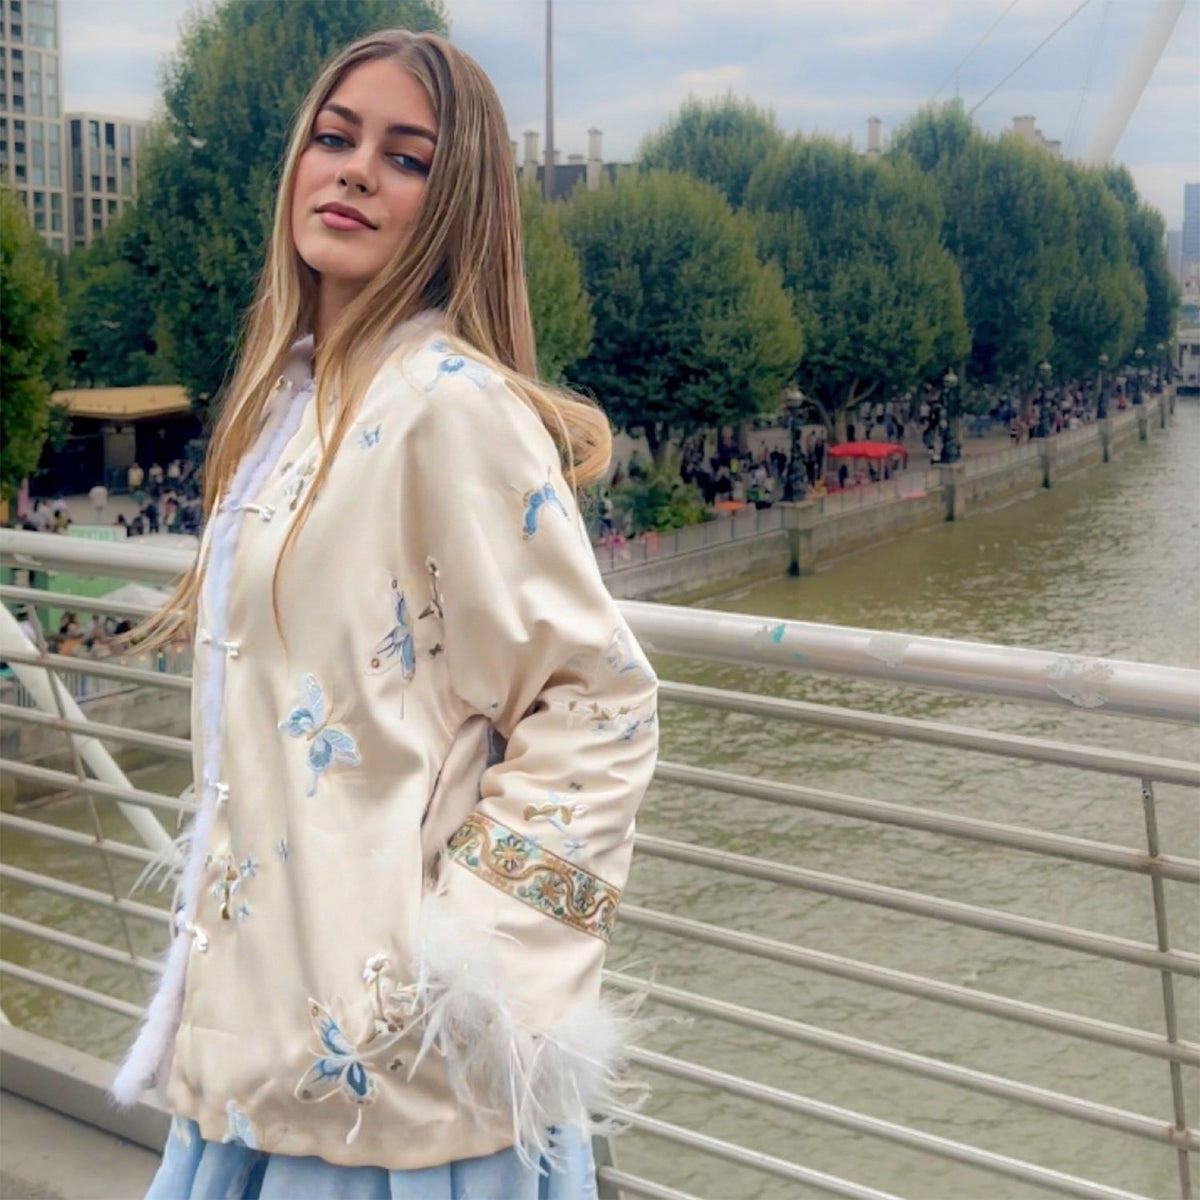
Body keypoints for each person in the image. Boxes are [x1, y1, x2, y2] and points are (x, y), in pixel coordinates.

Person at [112, 30, 659, 1200]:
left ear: (455, 208)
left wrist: (457, 971)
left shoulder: (446, 410)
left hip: (393, 1098)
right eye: (335, 136)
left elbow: (600, 704)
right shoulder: (292, 409)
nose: (355, 170)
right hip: (261, 1060)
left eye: (406, 157)